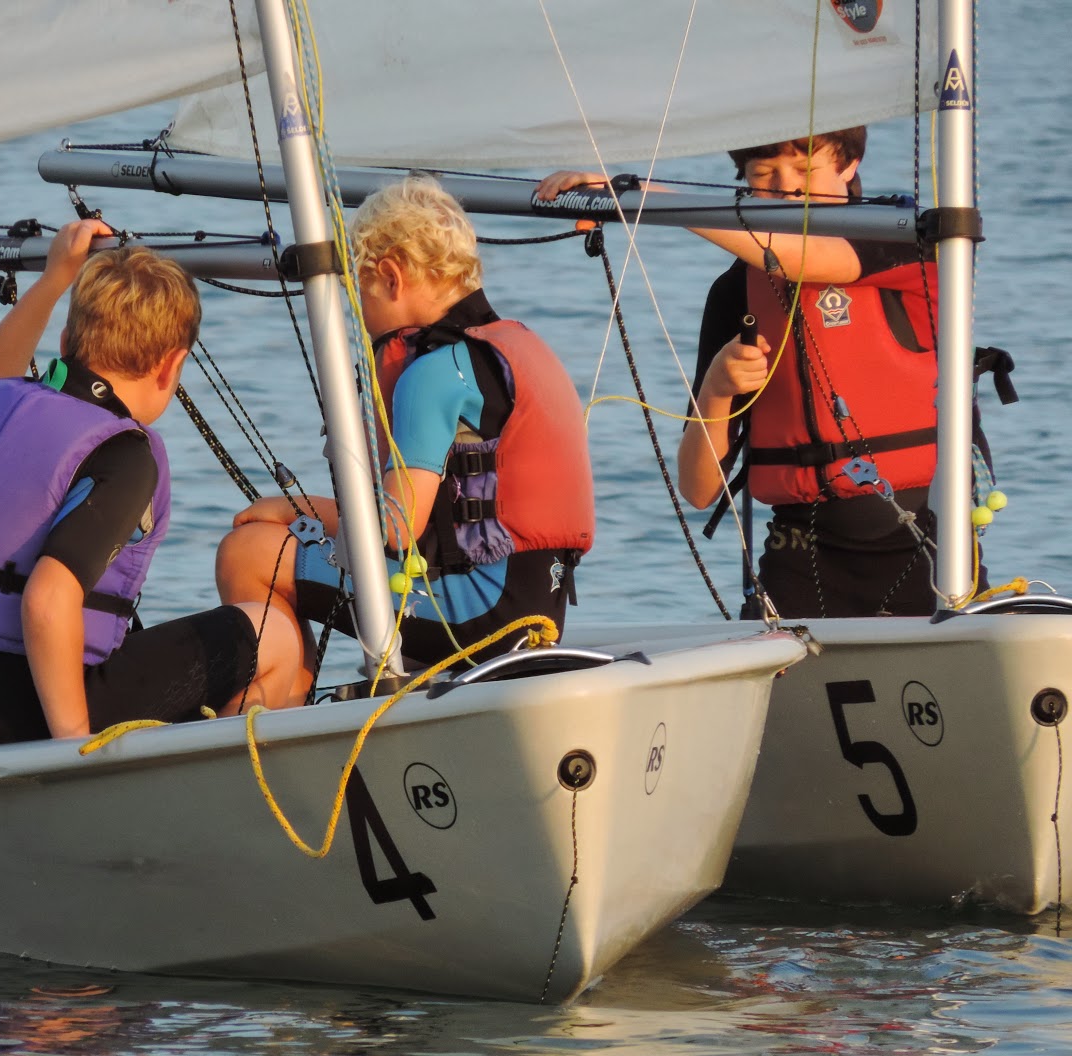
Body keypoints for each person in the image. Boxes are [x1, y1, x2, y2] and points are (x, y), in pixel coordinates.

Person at [538, 127, 978, 618]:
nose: (785, 188)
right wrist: (716, 391)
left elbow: (800, 259)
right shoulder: (736, 292)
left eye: (805, 170)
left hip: (928, 542)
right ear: (741, 180)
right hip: (799, 553)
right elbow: (699, 488)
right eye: (763, 174)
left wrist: (641, 195)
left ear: (850, 165)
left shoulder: (905, 241)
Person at [0, 242, 307, 751]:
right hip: (15, 712)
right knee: (275, 638)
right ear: (172, 366)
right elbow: (48, 597)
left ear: (66, 339)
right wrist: (75, 746)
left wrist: (53, 280)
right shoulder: (125, 454)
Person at [215, 174, 594, 676]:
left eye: (359, 292)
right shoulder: (519, 347)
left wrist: (295, 509)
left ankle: (278, 718)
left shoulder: (434, 372)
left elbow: (396, 528)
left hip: (480, 614)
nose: (359, 311)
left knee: (249, 553)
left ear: (391, 277)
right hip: (535, 614)